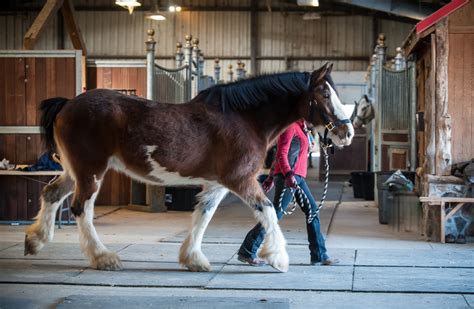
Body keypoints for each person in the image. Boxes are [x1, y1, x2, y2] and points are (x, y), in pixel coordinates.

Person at [237, 119, 338, 266]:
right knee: (275, 213)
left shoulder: (303, 129)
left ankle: (319, 255)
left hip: (297, 177)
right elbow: (281, 153)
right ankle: (247, 250)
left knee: (312, 211)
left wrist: (272, 177)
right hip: (289, 177)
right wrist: (286, 175)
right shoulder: (290, 126)